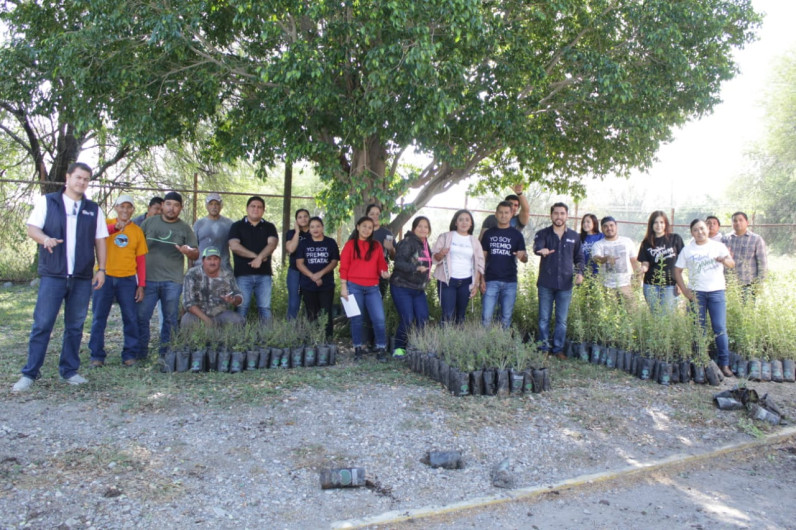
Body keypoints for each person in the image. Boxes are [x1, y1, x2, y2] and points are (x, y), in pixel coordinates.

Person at [12, 162, 108, 392]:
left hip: (82, 277)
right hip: (53, 275)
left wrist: (101, 269)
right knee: (43, 324)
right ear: (68, 178)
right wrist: (44, 239)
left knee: (75, 326)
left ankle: (69, 370)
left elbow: (100, 241)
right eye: (78, 177)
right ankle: (30, 373)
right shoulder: (48, 202)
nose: (82, 182)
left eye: (86, 179)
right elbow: (32, 228)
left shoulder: (93, 209)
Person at [88, 194, 148, 368]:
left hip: (128, 280)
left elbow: (141, 261)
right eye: (122, 206)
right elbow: (95, 237)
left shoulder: (137, 231)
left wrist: (141, 285)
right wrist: (115, 227)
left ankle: (129, 355)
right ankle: (97, 355)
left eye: (129, 207)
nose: (125, 210)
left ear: (133, 210)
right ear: (116, 208)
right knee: (99, 318)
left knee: (130, 317)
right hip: (104, 277)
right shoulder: (105, 224)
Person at [137, 191, 199, 359]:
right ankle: (140, 352)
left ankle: (166, 353)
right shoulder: (149, 223)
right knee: (142, 317)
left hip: (173, 281)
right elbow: (135, 247)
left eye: (176, 205)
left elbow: (196, 254)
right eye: (169, 204)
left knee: (170, 319)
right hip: (148, 279)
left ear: (181, 208)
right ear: (163, 205)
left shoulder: (185, 228)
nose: (172, 209)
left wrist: (188, 252)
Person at [674, 219, 735, 377]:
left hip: (716, 292)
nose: (699, 232)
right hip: (697, 294)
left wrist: (724, 259)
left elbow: (731, 264)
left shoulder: (718, 246)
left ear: (707, 229)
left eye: (702, 228)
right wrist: (685, 290)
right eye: (695, 230)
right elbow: (677, 271)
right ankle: (701, 361)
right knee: (698, 328)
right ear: (691, 233)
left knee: (719, 328)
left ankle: (724, 363)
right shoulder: (688, 250)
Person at [533, 203, 584, 359]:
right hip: (546, 283)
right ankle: (543, 349)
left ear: (567, 216)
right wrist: (541, 250)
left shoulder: (574, 236)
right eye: (556, 213)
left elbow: (580, 258)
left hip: (565, 284)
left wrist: (580, 273)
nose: (559, 216)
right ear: (551, 215)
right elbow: (537, 246)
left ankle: (558, 349)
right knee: (544, 319)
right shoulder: (543, 234)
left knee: (561, 320)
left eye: (562, 213)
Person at [340, 216, 390, 361]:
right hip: (353, 287)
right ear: (358, 227)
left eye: (370, 227)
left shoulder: (376, 245)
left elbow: (381, 263)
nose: (367, 229)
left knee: (379, 318)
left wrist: (384, 272)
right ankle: (358, 348)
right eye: (364, 226)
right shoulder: (350, 245)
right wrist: (344, 287)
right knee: (356, 319)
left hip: (373, 288)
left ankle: (381, 348)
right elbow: (344, 267)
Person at [228, 196, 279, 321]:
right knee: (242, 307)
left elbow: (272, 244)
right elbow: (234, 246)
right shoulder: (237, 226)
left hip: (264, 275)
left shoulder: (269, 226)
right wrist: (258, 257)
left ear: (263, 210)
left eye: (259, 207)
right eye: (253, 206)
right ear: (247, 208)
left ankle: (268, 338)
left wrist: (260, 258)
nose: (256, 209)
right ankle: (239, 338)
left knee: (265, 308)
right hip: (242, 275)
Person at [431, 209, 485, 324]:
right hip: (447, 281)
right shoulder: (445, 237)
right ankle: (444, 341)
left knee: (461, 315)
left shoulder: (474, 241)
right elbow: (434, 257)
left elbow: (479, 264)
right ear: (455, 222)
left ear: (471, 224)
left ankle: (456, 341)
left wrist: (475, 284)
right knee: (448, 315)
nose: (464, 222)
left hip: (466, 281)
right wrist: (441, 254)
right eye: (460, 220)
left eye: (467, 220)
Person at [480, 201, 528, 328]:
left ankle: (502, 345)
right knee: (486, 317)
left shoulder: (517, 235)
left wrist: (522, 256)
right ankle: (484, 345)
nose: (503, 215)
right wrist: (481, 278)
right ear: (495, 214)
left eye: (506, 213)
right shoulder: (488, 234)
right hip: (491, 280)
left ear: (512, 214)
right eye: (500, 212)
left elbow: (524, 258)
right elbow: (482, 258)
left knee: (506, 317)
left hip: (510, 281)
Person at [390, 217, 433, 358]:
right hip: (402, 286)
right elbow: (398, 263)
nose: (423, 229)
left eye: (426, 227)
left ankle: (417, 348)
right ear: (414, 228)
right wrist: (416, 268)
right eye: (419, 226)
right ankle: (399, 348)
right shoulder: (407, 242)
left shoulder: (425, 245)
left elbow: (427, 263)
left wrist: (427, 275)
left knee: (423, 318)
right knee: (407, 319)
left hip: (418, 289)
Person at [296, 217, 339, 340]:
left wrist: (320, 274)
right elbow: (299, 263)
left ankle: (327, 339)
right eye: (312, 227)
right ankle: (312, 339)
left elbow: (334, 262)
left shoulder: (330, 242)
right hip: (308, 284)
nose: (315, 229)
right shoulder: (304, 243)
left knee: (326, 313)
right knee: (311, 313)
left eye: (318, 226)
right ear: (309, 229)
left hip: (326, 285)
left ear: (322, 227)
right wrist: (313, 276)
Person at [181, 247, 244, 327]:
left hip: (220, 313)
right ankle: (194, 339)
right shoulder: (192, 274)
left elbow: (238, 295)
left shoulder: (227, 274)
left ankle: (227, 338)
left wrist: (233, 299)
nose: (212, 262)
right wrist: (207, 320)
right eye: (209, 259)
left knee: (238, 320)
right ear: (203, 261)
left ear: (220, 261)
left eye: (215, 259)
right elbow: (188, 303)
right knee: (187, 321)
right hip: (198, 314)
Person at [637, 211, 684, 313]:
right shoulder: (646, 243)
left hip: (670, 284)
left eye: (661, 222)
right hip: (651, 285)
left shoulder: (675, 239)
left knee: (667, 316)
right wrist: (642, 269)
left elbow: (681, 262)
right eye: (655, 222)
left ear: (666, 224)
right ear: (651, 225)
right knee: (655, 316)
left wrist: (680, 283)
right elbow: (645, 263)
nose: (659, 225)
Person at [591, 216, 640, 305]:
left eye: (611, 225)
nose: (609, 228)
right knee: (610, 316)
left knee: (632, 315)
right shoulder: (598, 245)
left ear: (616, 226)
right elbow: (596, 259)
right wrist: (606, 258)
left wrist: (638, 279)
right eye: (605, 226)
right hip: (607, 287)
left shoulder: (627, 241)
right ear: (601, 229)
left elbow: (634, 261)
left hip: (626, 285)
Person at [723, 211, 767, 298]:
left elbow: (762, 263)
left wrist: (759, 284)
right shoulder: (725, 239)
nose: (737, 223)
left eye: (740, 220)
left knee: (747, 311)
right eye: (735, 221)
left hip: (748, 285)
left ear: (747, 222)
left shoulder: (756, 239)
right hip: (728, 284)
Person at [193, 193, 234, 270]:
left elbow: (235, 247)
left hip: (223, 268)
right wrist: (190, 270)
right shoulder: (199, 224)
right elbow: (192, 249)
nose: (214, 206)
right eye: (211, 204)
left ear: (221, 206)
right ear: (206, 206)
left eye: (217, 204)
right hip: (201, 268)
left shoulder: (229, 224)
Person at [285, 208, 311, 319]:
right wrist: (297, 232)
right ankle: (290, 332)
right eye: (300, 217)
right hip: (295, 272)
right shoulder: (291, 233)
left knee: (310, 303)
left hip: (311, 272)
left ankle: (309, 331)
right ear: (296, 220)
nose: (303, 219)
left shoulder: (314, 232)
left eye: (305, 216)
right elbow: (291, 249)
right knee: (294, 303)